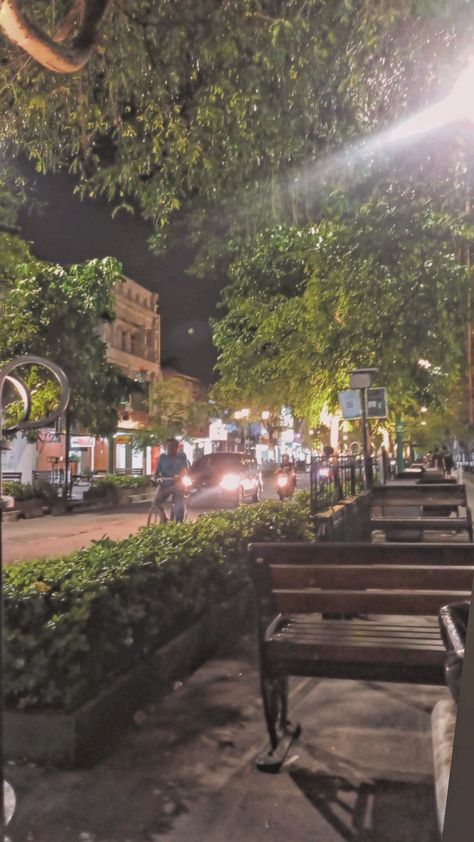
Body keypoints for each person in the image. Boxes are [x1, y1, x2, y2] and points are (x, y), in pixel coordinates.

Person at [153, 438, 189, 522]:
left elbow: (185, 469)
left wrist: (179, 476)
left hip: (178, 485)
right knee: (156, 503)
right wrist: (155, 477)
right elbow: (158, 471)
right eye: (168, 446)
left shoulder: (182, 456)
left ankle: (178, 524)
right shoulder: (162, 457)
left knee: (179, 506)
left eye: (172, 446)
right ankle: (164, 518)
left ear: (176, 448)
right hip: (165, 485)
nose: (169, 448)